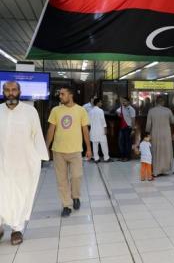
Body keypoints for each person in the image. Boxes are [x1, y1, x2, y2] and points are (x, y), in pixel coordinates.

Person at [0, 81, 49, 245]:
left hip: (23, 164)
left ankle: (16, 229)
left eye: (14, 90)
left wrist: (41, 157)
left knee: (20, 195)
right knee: (2, 195)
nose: (10, 93)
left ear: (19, 92)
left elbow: (37, 135)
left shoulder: (30, 111)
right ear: (3, 92)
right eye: (7, 90)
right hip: (1, 163)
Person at [46, 86, 91, 217]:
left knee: (77, 176)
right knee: (62, 180)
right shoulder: (56, 110)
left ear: (70, 95)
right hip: (58, 151)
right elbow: (51, 130)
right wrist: (46, 147)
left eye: (62, 94)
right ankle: (66, 205)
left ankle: (75, 196)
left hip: (76, 150)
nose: (60, 96)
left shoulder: (81, 110)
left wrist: (89, 148)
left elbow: (85, 131)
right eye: (60, 94)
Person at [146, 96, 174, 176]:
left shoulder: (151, 111)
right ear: (163, 102)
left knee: (155, 151)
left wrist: (147, 132)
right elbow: (173, 121)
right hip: (166, 134)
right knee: (166, 151)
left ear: (156, 102)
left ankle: (156, 170)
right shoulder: (168, 110)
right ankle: (165, 170)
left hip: (155, 133)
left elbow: (148, 125)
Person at [89, 98, 111, 163]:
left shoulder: (91, 111)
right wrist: (105, 129)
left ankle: (96, 158)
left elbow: (89, 122)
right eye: (100, 102)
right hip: (101, 130)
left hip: (93, 131)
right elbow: (103, 121)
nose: (101, 103)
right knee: (104, 145)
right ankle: (106, 158)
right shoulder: (100, 111)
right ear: (98, 103)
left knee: (95, 145)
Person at [116, 97, 136, 162]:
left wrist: (133, 129)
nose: (123, 102)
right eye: (123, 101)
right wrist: (118, 114)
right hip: (122, 128)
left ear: (128, 102)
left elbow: (133, 120)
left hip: (128, 128)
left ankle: (127, 157)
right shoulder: (121, 107)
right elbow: (117, 111)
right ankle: (122, 156)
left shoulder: (131, 109)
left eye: (125, 101)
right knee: (121, 142)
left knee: (128, 143)